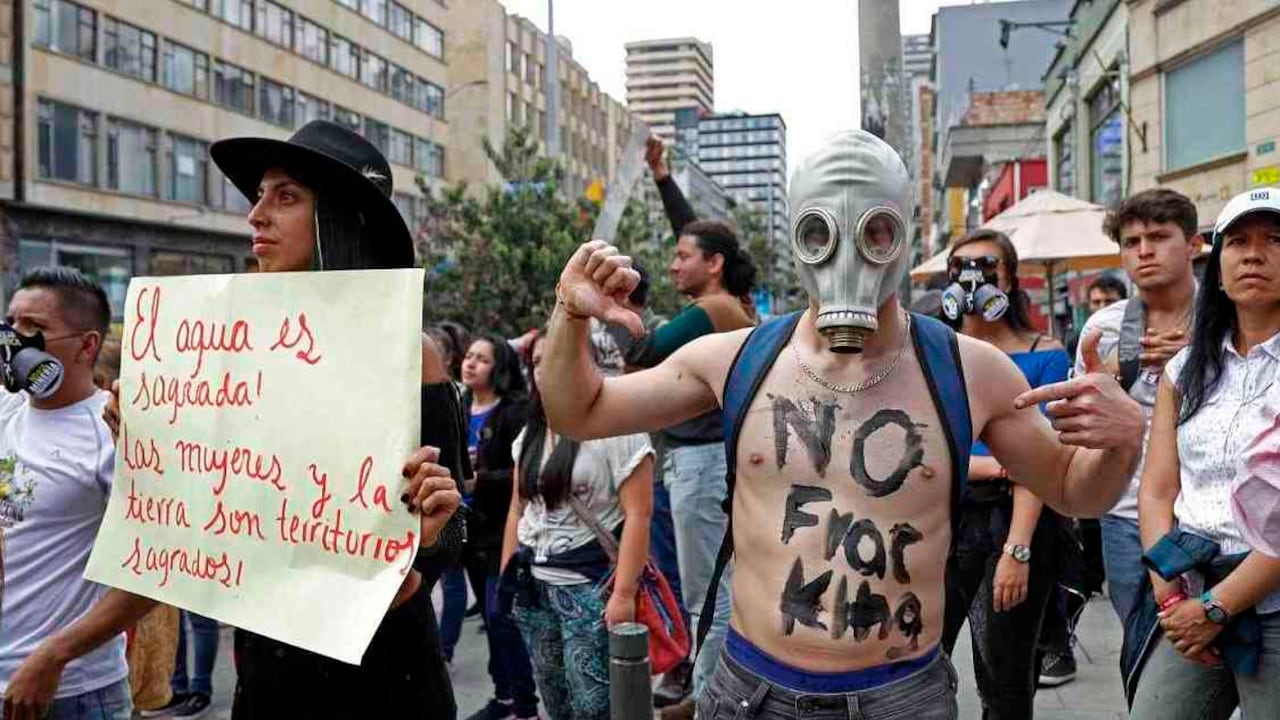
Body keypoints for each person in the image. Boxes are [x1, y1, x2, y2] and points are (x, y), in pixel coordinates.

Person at [541, 129, 1144, 719]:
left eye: (875, 232)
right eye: (821, 233)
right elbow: (581, 412)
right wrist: (570, 315)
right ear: (800, 236)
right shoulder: (734, 360)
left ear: (903, 236)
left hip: (900, 695)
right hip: (754, 690)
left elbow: (1074, 488)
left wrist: (1122, 438)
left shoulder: (968, 372)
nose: (849, 256)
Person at [1128, 188, 1280, 718]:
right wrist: (1170, 597)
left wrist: (1219, 607)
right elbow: (1158, 488)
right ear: (1218, 269)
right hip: (1189, 587)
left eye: (1274, 241)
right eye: (1238, 242)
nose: (1254, 254)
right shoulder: (1185, 370)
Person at [640, 137, 759, 718]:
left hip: (701, 464)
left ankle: (714, 701)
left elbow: (646, 350)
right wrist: (664, 180)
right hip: (713, 462)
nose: (672, 262)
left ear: (712, 264)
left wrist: (615, 304)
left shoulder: (710, 311)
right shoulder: (733, 300)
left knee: (704, 598)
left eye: (682, 256)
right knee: (716, 588)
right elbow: (700, 236)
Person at [939, 230, 1072, 716]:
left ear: (1010, 279)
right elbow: (921, 449)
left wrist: (1017, 549)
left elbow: (1044, 461)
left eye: (985, 266)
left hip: (1016, 521)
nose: (971, 279)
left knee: (1007, 676)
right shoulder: (934, 350)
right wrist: (998, 465)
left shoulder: (1046, 354)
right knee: (915, 660)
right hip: (941, 520)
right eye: (959, 267)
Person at [0, 268, 138, 720]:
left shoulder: (115, 431)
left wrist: (53, 658)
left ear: (87, 345)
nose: (15, 338)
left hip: (69, 693)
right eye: (11, 322)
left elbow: (155, 576)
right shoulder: (7, 408)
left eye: (35, 328)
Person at [499, 333, 654, 720]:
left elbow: (639, 515)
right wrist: (506, 573)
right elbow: (518, 509)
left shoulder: (619, 426)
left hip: (589, 586)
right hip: (534, 586)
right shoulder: (531, 432)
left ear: (587, 361)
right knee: (555, 695)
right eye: (536, 361)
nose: (544, 368)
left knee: (595, 703)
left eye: (556, 356)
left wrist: (623, 595)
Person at [1081, 189, 1201, 632]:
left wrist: (1201, 355)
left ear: (1193, 245)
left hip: (1212, 511)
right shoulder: (1104, 328)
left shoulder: (1230, 319)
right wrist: (1114, 373)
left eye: (1159, 236)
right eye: (1131, 243)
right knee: (1139, 642)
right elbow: (1083, 423)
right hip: (1128, 511)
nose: (1144, 251)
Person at [461, 336, 540, 720]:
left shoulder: (514, 411)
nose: (471, 363)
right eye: (469, 356)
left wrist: (479, 481)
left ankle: (524, 704)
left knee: (500, 618)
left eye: (482, 359)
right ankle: (504, 696)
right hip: (467, 532)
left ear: (499, 368)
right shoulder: (458, 405)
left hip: (501, 530)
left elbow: (521, 471)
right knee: (494, 625)